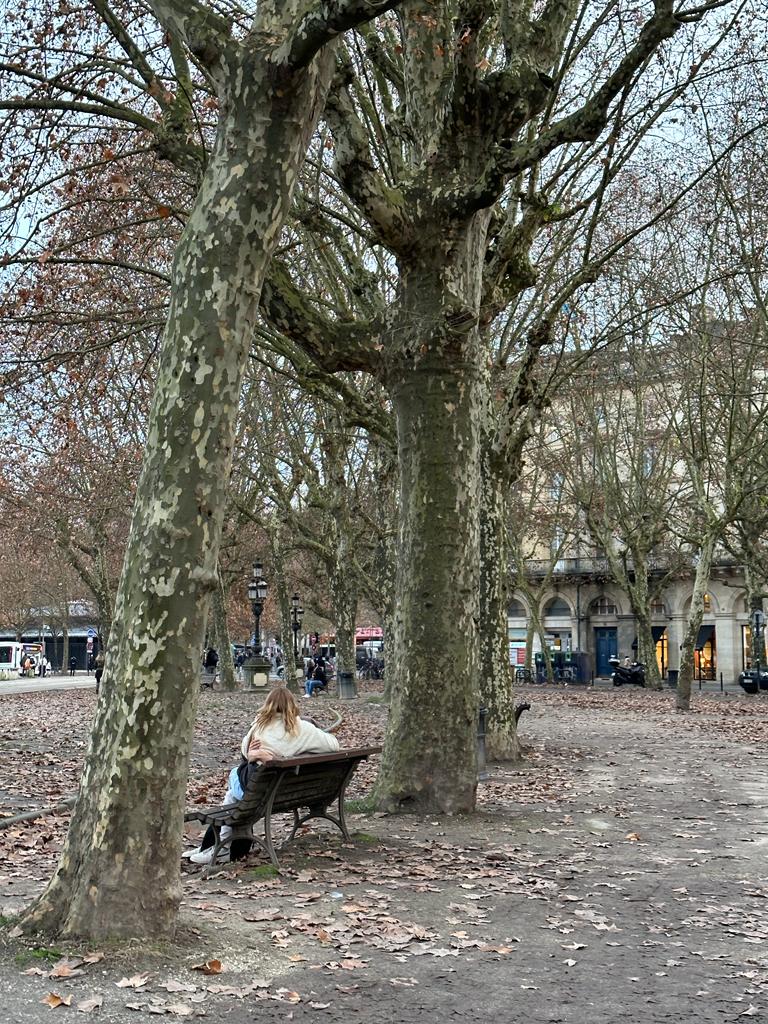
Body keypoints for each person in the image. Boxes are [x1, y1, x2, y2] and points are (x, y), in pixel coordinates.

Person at [184, 687, 340, 866]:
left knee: (234, 776)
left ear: (268, 705)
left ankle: (219, 846)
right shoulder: (303, 729)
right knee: (234, 790)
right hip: (288, 792)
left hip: (260, 793)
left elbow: (245, 753)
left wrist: (253, 754)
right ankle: (212, 846)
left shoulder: (262, 726)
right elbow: (334, 745)